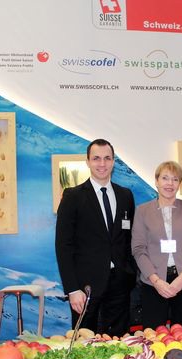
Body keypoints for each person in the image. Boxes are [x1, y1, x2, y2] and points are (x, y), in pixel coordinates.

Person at [55, 138, 136, 337]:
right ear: (88, 162)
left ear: (113, 162)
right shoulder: (73, 196)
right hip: (85, 288)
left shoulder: (125, 195)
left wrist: (129, 273)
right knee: (84, 343)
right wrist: (72, 289)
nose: (102, 164)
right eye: (96, 158)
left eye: (107, 158)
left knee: (119, 341)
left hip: (120, 284)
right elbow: (63, 246)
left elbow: (128, 238)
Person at [131, 161, 182, 328]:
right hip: (153, 284)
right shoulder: (142, 211)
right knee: (154, 334)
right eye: (165, 178)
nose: (169, 183)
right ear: (156, 181)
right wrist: (156, 281)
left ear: (179, 184)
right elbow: (139, 249)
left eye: (175, 179)